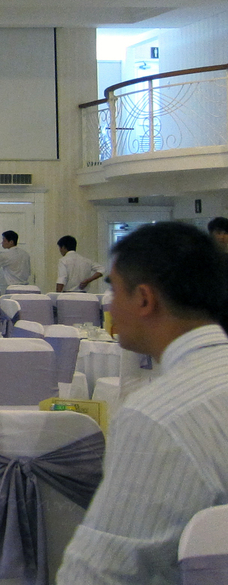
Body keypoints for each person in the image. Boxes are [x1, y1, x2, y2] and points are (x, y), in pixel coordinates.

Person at [57, 221, 228, 585]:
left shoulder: (156, 415)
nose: (110, 306)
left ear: (144, 299)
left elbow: (99, 569)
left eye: (114, 290)